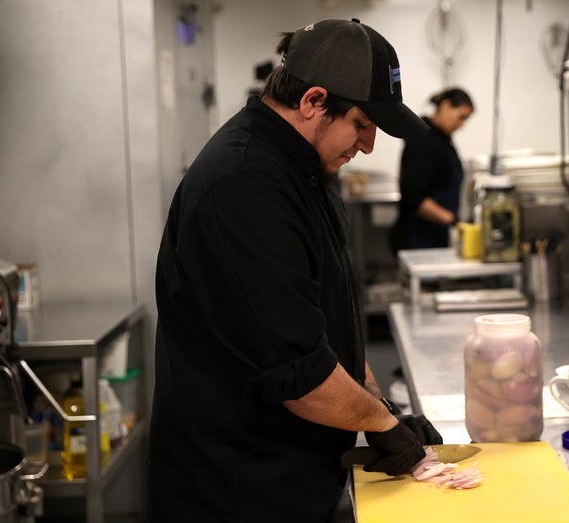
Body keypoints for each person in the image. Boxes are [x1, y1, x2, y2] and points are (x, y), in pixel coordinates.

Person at [149, 19, 443, 523]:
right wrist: (379, 423)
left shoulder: (305, 170)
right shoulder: (244, 185)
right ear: (312, 102)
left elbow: (325, 324)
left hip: (290, 477)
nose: (368, 145)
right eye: (362, 124)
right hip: (235, 490)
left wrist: (381, 409)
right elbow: (298, 373)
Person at [390, 87, 475, 252]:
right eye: (461, 117)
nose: (462, 125)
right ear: (445, 105)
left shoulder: (443, 140)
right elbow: (414, 197)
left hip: (435, 236)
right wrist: (453, 221)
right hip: (417, 238)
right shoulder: (423, 141)